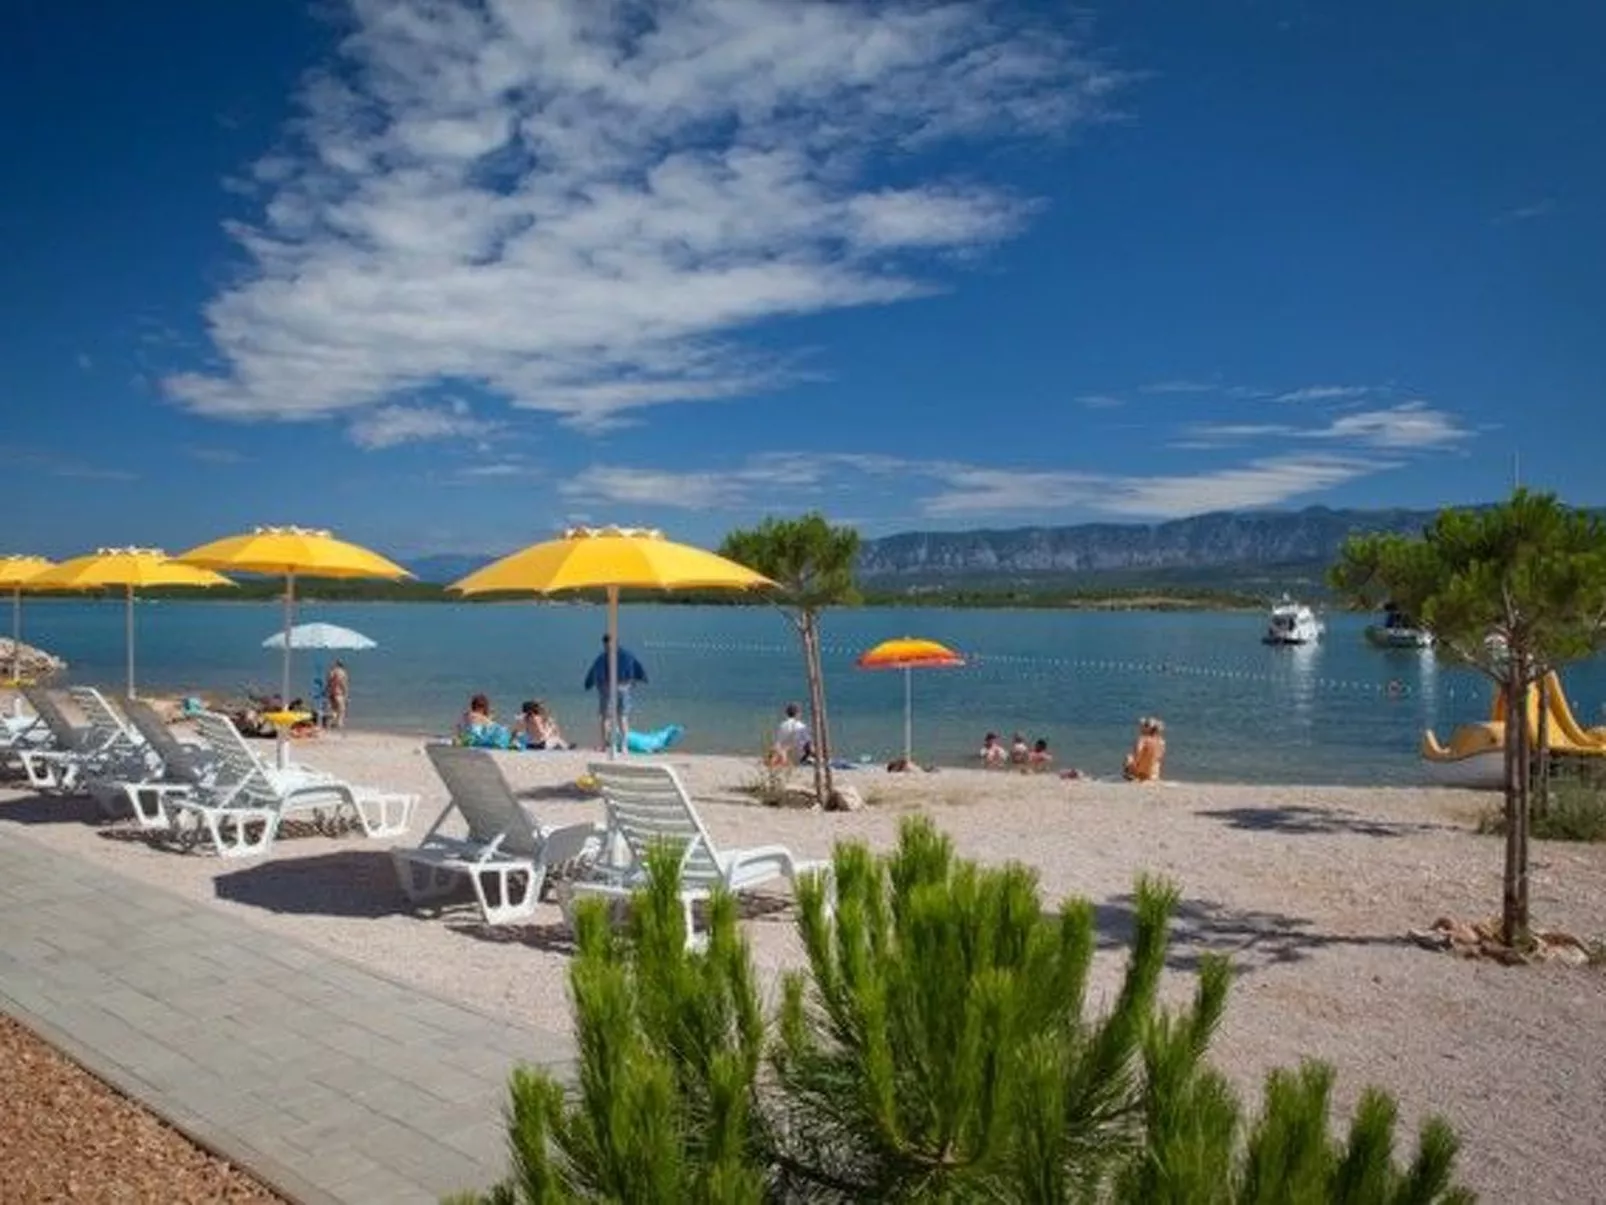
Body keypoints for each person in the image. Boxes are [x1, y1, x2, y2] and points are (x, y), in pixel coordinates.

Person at [583, 634, 648, 751]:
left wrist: (591, 683)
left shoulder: (603, 658)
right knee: (620, 717)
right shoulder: (627, 656)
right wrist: (636, 680)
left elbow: (594, 673)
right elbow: (637, 669)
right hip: (621, 688)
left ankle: (606, 745)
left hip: (609, 689)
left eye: (606, 645)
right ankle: (622, 746)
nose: (607, 647)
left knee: (608, 718)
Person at [1123, 716, 1167, 782]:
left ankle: (1133, 776)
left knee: (1128, 758)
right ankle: (1151, 775)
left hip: (1141, 771)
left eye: (1144, 726)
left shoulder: (1142, 740)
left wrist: (1132, 767)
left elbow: (1138, 755)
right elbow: (1159, 757)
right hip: (1154, 772)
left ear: (1147, 729)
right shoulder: (1161, 741)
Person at [326, 659, 349, 729]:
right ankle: (339, 723)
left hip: (331, 692)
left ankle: (332, 722)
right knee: (342, 709)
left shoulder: (332, 672)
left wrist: (327, 691)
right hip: (339, 693)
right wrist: (346, 693)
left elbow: (328, 683)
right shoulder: (343, 673)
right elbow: (343, 683)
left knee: (334, 709)